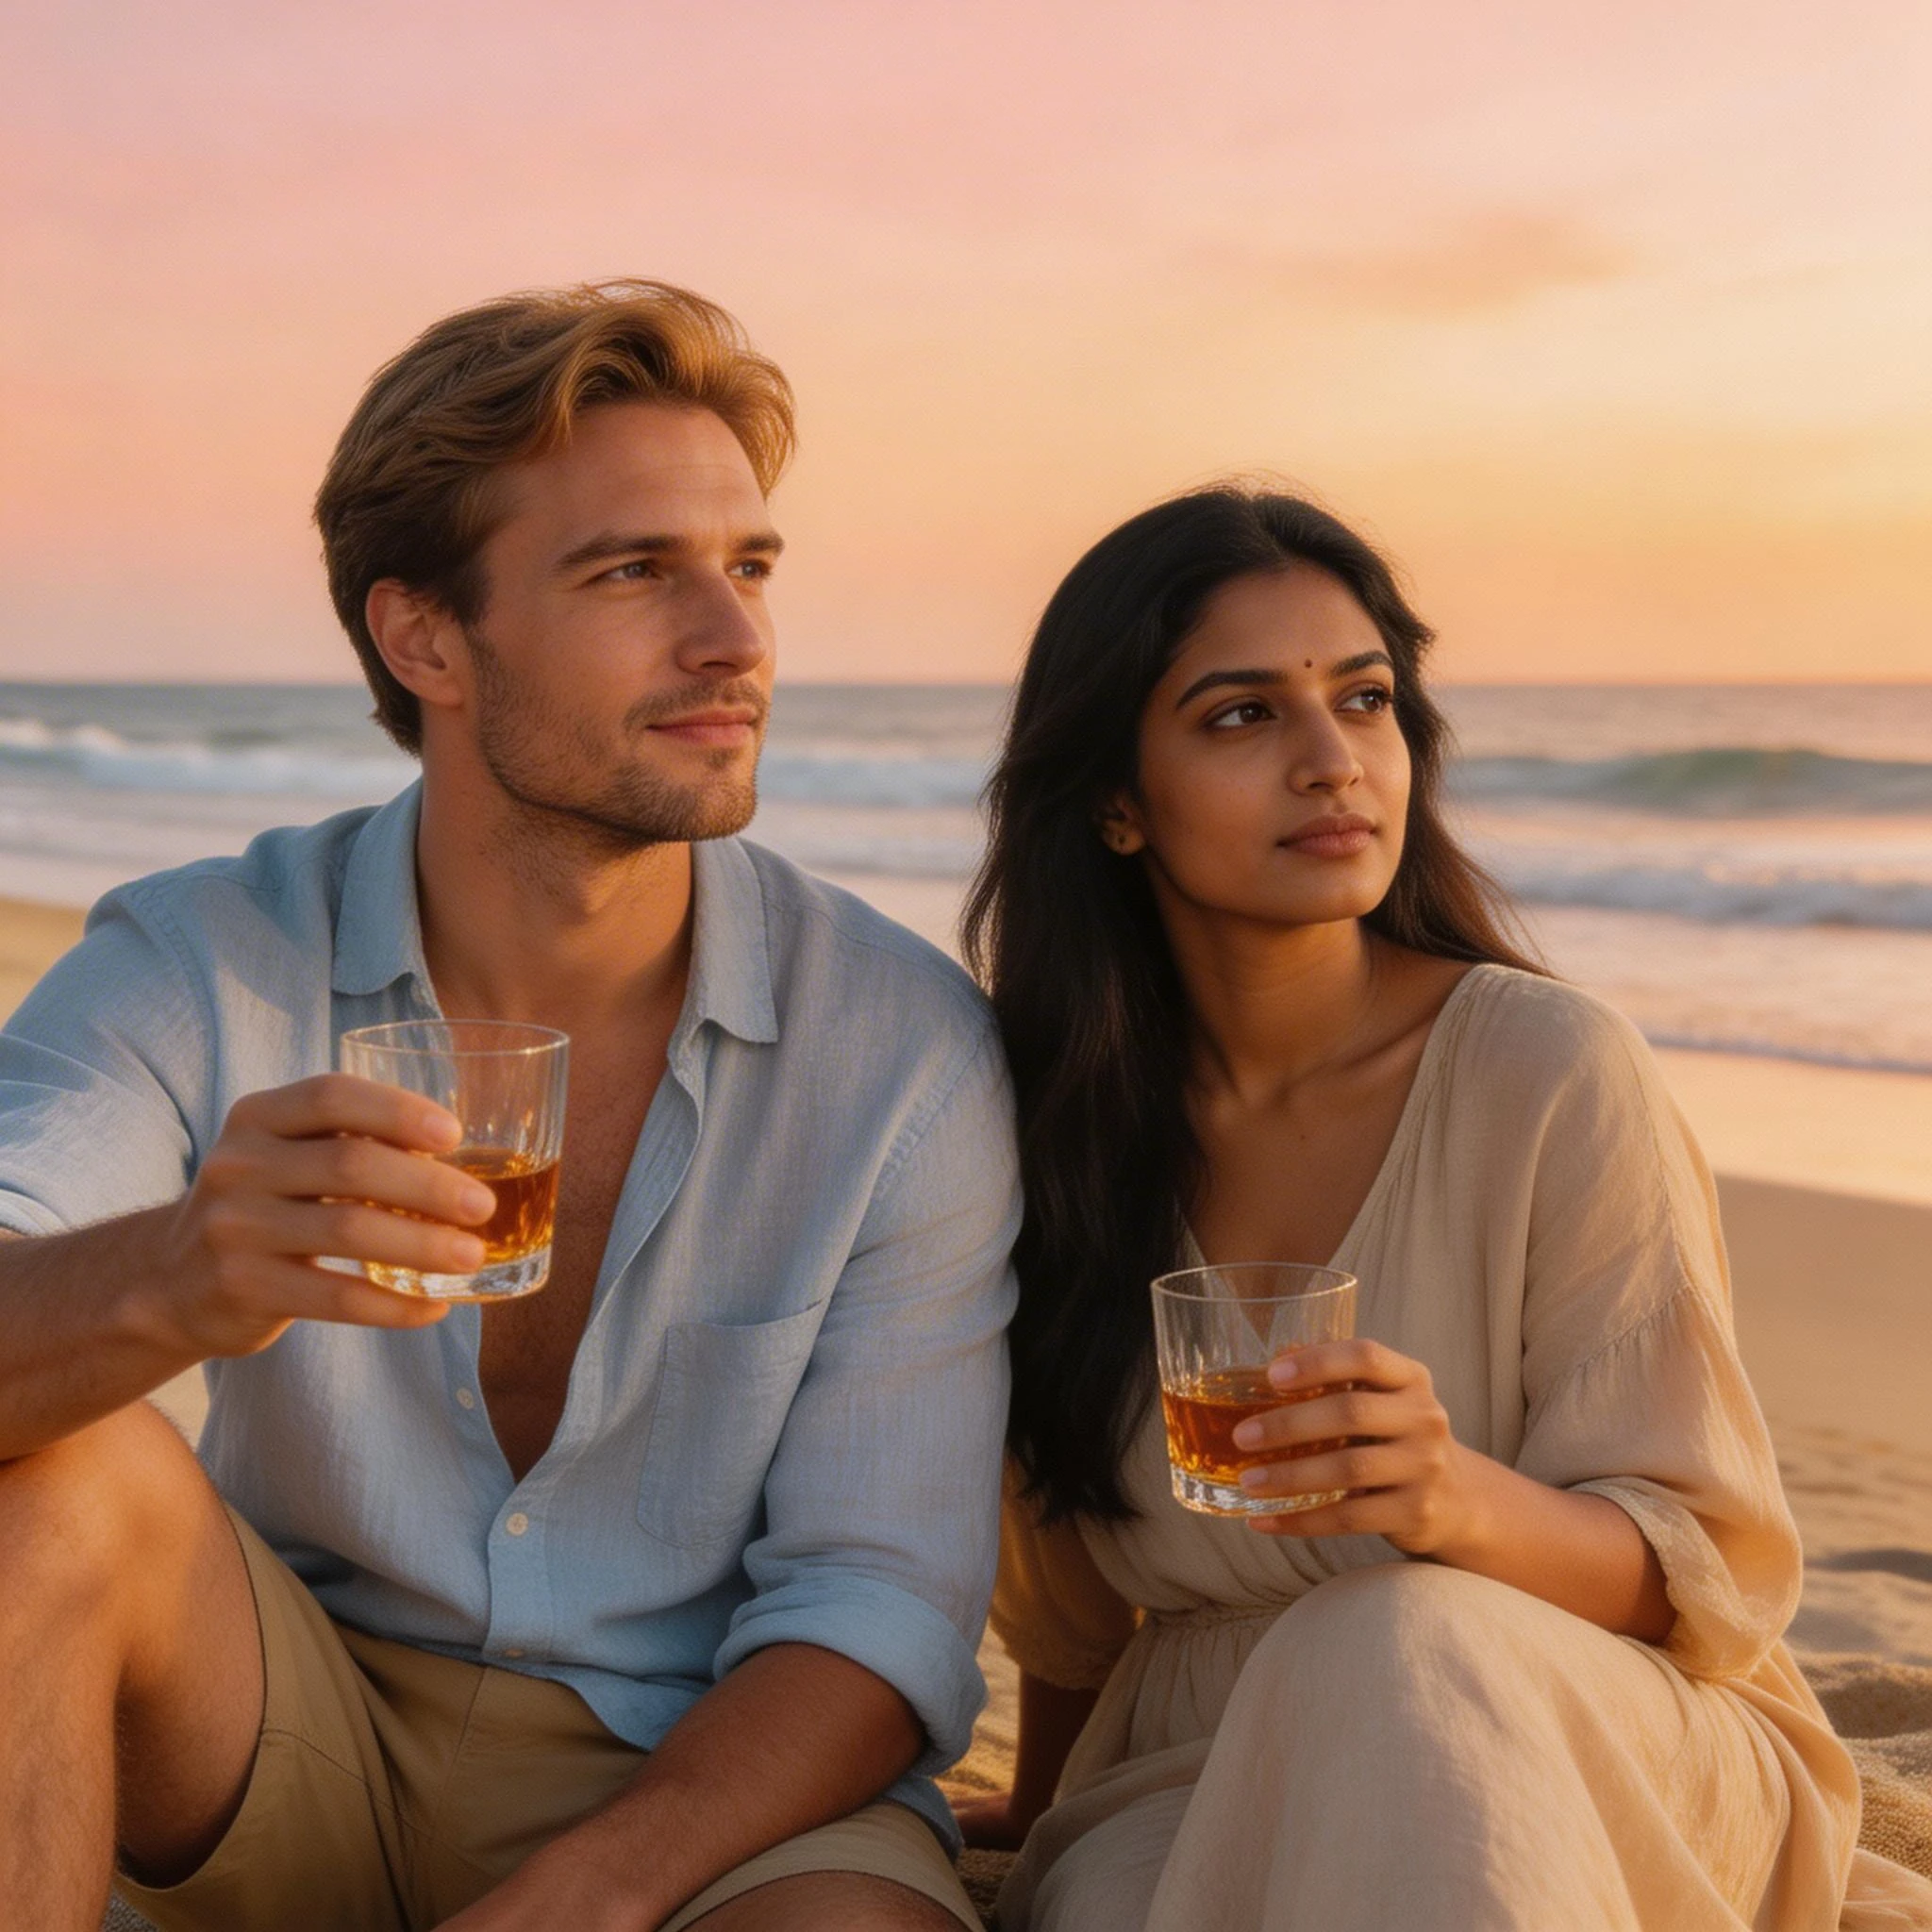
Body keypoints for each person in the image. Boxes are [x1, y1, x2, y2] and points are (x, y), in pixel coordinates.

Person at [0, 281, 1018, 1932]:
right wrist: (173, 1273)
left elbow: (878, 1605)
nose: (736, 641)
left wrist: (591, 1894)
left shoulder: (902, 1052)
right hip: (279, 1726)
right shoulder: (201, 957)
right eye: (635, 572)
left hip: (701, 1792)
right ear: (426, 639)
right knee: (44, 1478)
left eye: (750, 569)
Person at [952, 486, 1915, 1929]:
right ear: (1112, 802)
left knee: (1392, 1641)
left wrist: (1453, 1500)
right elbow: (1073, 1607)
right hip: (1198, 1764)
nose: (1334, 762)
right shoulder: (1041, 1130)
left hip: (1580, 1723)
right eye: (1241, 716)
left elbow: (1703, 1582)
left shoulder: (1544, 1070)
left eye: (1365, 699)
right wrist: (1034, 1818)